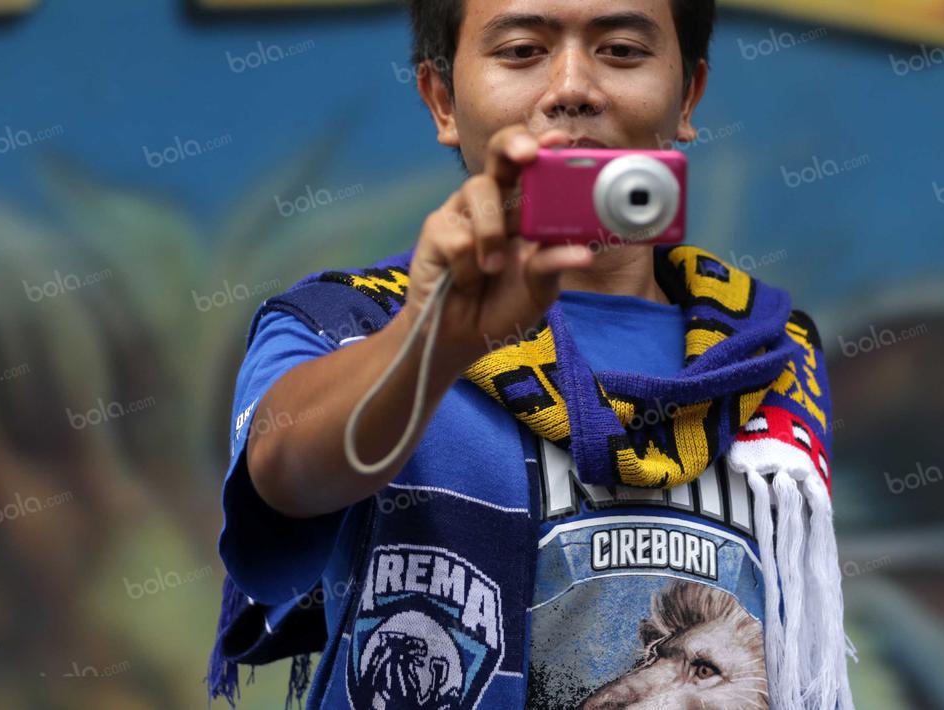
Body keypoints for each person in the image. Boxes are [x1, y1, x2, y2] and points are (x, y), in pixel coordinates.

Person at [207, 2, 854, 708]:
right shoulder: (354, 325)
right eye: (520, 50)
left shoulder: (770, 350)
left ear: (688, 95)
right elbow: (285, 477)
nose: (572, 87)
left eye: (621, 50)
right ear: (442, 99)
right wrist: (430, 342)